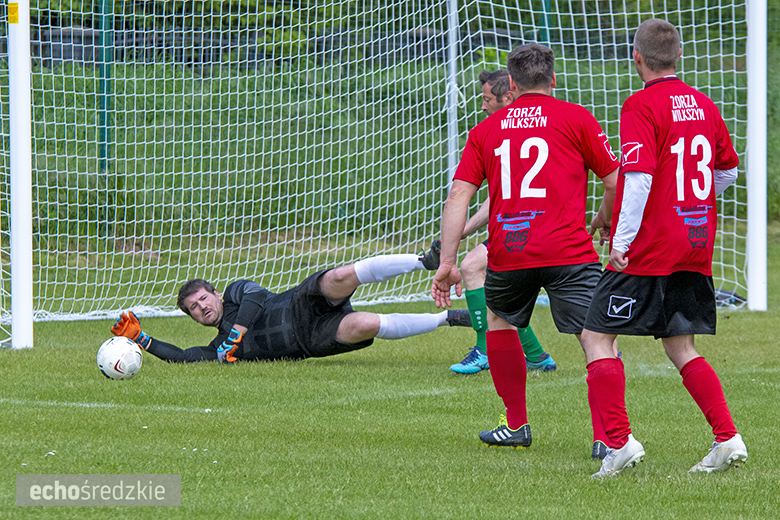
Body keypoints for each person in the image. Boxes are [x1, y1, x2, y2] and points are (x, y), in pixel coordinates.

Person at [431, 43, 619, 453]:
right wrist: (605, 219)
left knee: (499, 323)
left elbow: (458, 197)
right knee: (596, 337)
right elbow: (614, 181)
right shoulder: (577, 118)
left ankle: (516, 425)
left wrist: (447, 262)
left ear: (511, 84)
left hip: (510, 251)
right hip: (570, 251)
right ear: (552, 80)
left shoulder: (487, 129)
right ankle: (607, 439)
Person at [582, 18, 747, 478]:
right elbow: (729, 171)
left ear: (637, 58)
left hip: (650, 248)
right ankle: (727, 437)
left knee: (596, 336)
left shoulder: (640, 104)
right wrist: (689, 202)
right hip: (694, 244)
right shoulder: (704, 104)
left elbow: (637, 178)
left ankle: (618, 443)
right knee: (680, 345)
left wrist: (621, 241)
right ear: (679, 56)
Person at [111, 249, 471, 363]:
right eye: (193, 308)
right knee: (363, 325)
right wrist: (142, 339)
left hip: (300, 304)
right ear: (193, 318)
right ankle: (447, 318)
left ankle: (424, 260)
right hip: (309, 340)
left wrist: (237, 333)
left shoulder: (237, 292)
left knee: (338, 277)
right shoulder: (218, 349)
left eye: (203, 298)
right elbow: (183, 358)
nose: (201, 307)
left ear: (216, 294)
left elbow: (257, 298)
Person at [448, 69, 556, 375]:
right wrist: (461, 231)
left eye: (486, 99)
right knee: (488, 284)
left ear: (508, 97)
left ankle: (486, 350)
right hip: (523, 225)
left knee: (474, 270)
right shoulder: (515, 130)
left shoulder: (512, 133)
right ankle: (536, 355)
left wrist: (455, 239)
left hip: (531, 227)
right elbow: (496, 199)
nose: (482, 106)